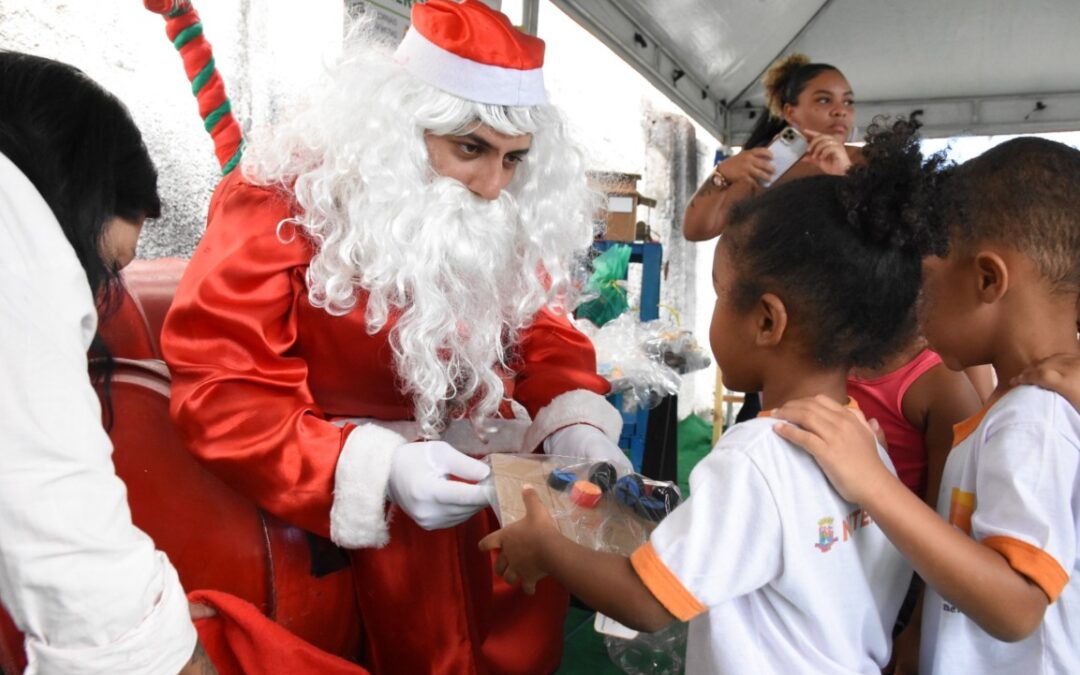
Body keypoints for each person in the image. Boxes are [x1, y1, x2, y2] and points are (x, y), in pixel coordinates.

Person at [160, 2, 630, 673]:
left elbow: (540, 326)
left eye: (515, 160)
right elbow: (221, 390)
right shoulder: (278, 202)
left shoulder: (500, 212)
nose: (494, 186)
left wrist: (574, 425)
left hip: (489, 545)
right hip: (334, 547)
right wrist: (371, 467)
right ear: (402, 129)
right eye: (470, 148)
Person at [480, 120, 946, 674]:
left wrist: (544, 544)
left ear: (767, 321)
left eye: (723, 295)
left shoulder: (755, 458)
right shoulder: (865, 443)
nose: (713, 313)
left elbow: (647, 601)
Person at [774, 137, 1080, 673]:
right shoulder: (1016, 409)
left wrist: (873, 483)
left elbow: (1017, 608)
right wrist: (918, 634)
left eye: (925, 281)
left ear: (987, 278)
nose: (914, 305)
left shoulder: (1034, 419)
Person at [0, 52, 213, 674]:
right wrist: (154, 644)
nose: (94, 296)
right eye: (102, 271)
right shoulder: (17, 243)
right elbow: (55, 513)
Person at [682, 53, 859, 243]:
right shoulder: (766, 166)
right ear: (790, 113)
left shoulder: (871, 159)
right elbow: (695, 230)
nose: (840, 110)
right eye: (824, 100)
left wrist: (846, 175)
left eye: (848, 102)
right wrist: (722, 173)